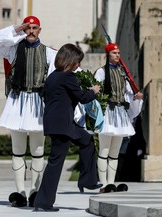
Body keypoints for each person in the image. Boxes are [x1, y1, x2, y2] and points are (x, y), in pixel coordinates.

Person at [0, 15, 57, 207]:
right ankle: (20, 193)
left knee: (38, 150)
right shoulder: (13, 49)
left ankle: (35, 191)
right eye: (28, 28)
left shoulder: (50, 53)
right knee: (17, 151)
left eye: (34, 28)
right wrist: (16, 29)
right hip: (17, 101)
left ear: (40, 30)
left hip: (38, 102)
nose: (31, 31)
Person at [33, 43, 102, 212]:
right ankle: (43, 202)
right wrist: (93, 91)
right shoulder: (67, 77)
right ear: (70, 60)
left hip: (59, 123)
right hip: (62, 125)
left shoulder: (53, 77)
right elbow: (83, 98)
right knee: (55, 164)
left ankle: (88, 180)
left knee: (86, 140)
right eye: (77, 61)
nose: (78, 65)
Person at [94, 43, 143, 193]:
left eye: (118, 53)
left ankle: (110, 182)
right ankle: (103, 184)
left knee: (114, 153)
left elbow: (128, 93)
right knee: (104, 150)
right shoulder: (101, 72)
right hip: (108, 111)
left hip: (120, 113)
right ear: (108, 55)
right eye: (114, 53)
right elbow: (95, 91)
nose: (117, 55)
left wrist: (136, 96)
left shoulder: (122, 73)